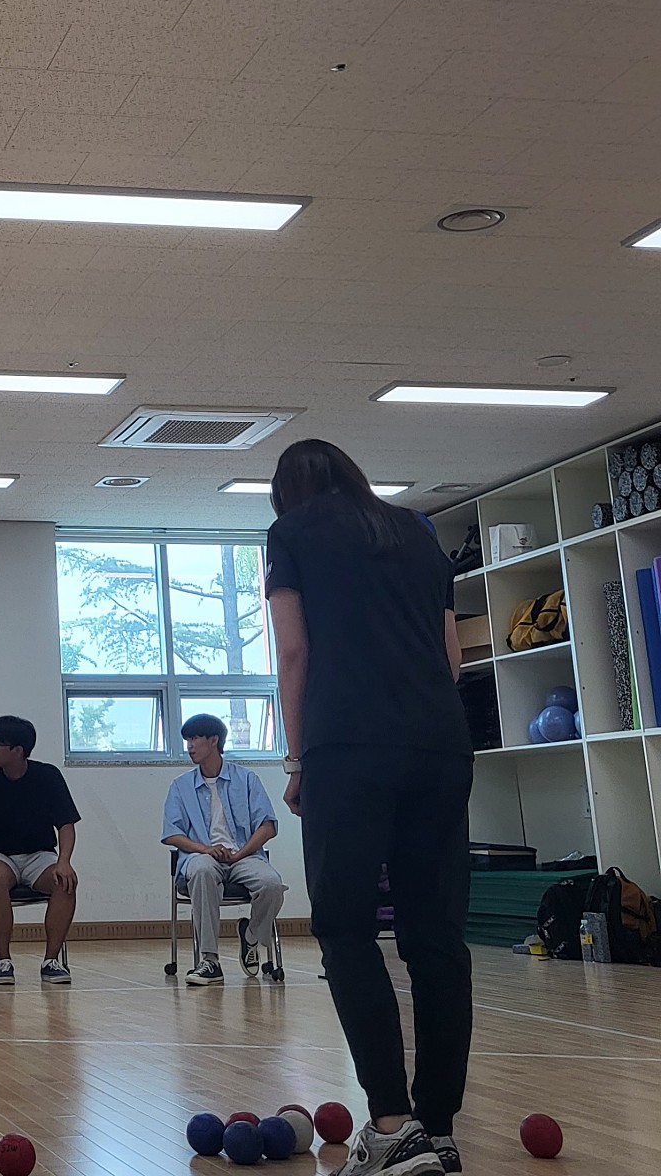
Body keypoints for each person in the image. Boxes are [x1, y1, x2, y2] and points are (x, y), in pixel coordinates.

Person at [267, 439, 471, 1176]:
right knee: (436, 938)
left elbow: (294, 652)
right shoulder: (417, 530)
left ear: (286, 493)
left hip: (348, 748)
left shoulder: (291, 533)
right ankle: (437, 1129)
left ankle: (390, 1122)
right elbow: (451, 658)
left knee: (346, 929)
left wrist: (297, 760)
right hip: (440, 748)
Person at [162, 712, 285, 985]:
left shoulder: (247, 779)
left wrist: (241, 853)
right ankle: (209, 961)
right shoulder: (180, 786)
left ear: (214, 740)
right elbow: (171, 833)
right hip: (201, 856)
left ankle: (250, 935)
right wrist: (204, 849)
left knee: (272, 884)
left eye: (195, 739)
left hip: (244, 855)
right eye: (187, 740)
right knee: (202, 871)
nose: (189, 746)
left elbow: (267, 826)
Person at [0, 714, 80, 985]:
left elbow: (66, 825)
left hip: (39, 855)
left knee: (65, 882)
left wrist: (64, 861)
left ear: (18, 750)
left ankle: (51, 961)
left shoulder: (48, 777)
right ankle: (3, 961)